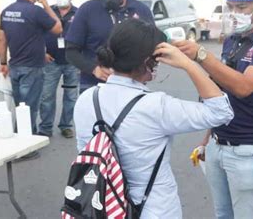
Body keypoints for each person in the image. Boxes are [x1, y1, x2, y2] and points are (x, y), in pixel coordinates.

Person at [74, 19, 234, 218]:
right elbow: (221, 111)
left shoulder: (86, 99)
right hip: (153, 208)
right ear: (146, 62)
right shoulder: (156, 106)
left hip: (102, 205)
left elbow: (85, 151)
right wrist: (189, 65)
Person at [174, 0, 253, 218]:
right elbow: (221, 92)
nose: (235, 13)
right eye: (230, 6)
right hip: (218, 144)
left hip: (248, 149)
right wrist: (208, 137)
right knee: (223, 214)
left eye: (242, 7)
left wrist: (201, 56)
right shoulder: (232, 40)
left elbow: (244, 87)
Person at [65, 0, 156, 93]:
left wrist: (146, 70)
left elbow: (152, 49)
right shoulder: (87, 10)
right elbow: (71, 52)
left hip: (132, 87)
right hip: (94, 87)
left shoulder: (142, 11)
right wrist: (94, 69)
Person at [0, 0, 62, 141]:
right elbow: (58, 28)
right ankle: (26, 143)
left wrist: (3, 63)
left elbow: (2, 40)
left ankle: (19, 137)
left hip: (15, 66)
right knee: (29, 108)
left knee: (20, 106)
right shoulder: (36, 11)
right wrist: (47, 5)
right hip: (32, 67)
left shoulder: (6, 11)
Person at [38, 0, 78, 138]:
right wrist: (42, 52)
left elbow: (85, 35)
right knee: (47, 95)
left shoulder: (78, 13)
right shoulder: (46, 12)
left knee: (70, 96)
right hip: (51, 61)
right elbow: (36, 33)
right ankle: (46, 127)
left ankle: (66, 125)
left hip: (72, 62)